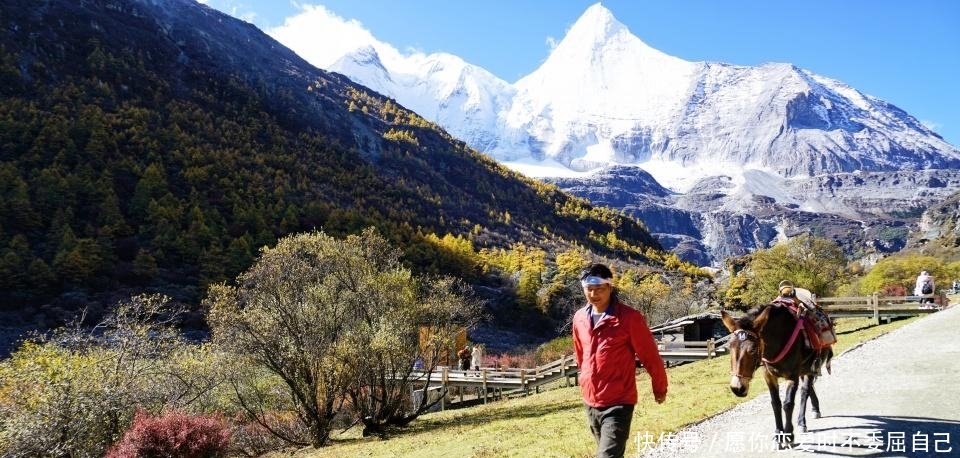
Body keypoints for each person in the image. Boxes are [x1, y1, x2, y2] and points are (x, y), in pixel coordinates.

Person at [572, 263, 668, 458]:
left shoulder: (629, 318)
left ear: (610, 287)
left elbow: (650, 357)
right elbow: (580, 354)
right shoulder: (579, 318)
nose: (593, 294)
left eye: (598, 289)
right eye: (588, 290)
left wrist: (660, 388)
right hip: (590, 401)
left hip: (619, 401)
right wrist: (584, 381)